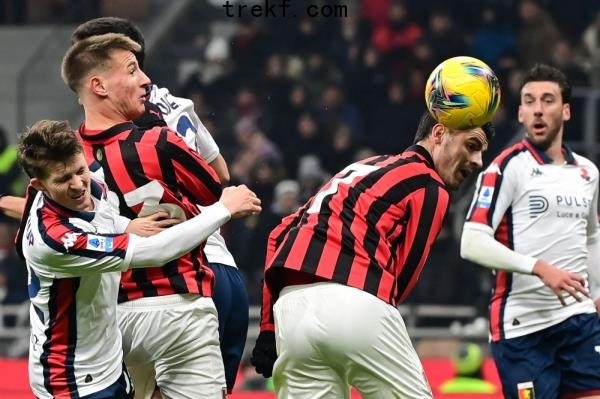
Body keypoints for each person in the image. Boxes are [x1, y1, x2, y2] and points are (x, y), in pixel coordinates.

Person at [251, 110, 494, 398]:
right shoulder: (430, 185)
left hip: (291, 313)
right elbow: (403, 279)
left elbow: (279, 234)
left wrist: (267, 329)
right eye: (472, 145)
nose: (478, 161)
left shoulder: (359, 168)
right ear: (439, 134)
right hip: (357, 301)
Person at [17, 120, 260, 399]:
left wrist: (124, 225)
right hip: (70, 381)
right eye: (62, 180)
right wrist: (222, 210)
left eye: (80, 170)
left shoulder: (91, 188)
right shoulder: (55, 239)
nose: (77, 185)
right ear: (39, 185)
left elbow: (101, 215)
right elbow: (153, 253)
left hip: (109, 363)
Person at [71, 17, 249, 394]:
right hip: (218, 269)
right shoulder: (175, 104)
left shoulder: (96, 137)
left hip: (156, 285)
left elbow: (70, 216)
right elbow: (221, 174)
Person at [461, 64, 600, 399]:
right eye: (530, 101)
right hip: (523, 329)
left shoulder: (588, 172)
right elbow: (471, 241)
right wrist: (539, 268)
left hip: (579, 321)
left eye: (548, 100)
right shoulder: (506, 168)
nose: (538, 109)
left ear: (566, 111)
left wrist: (596, 291)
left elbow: (592, 235)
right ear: (520, 112)